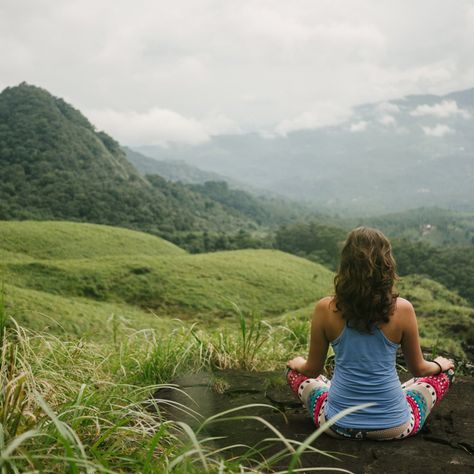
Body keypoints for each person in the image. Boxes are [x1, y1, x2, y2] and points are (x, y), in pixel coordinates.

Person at [286, 227, 455, 440]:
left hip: (338, 425)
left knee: (296, 373)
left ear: (346, 265)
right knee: (443, 373)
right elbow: (420, 369)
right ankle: (395, 398)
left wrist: (298, 363)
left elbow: (311, 370)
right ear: (387, 264)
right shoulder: (403, 309)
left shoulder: (325, 309)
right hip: (395, 427)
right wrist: (441, 365)